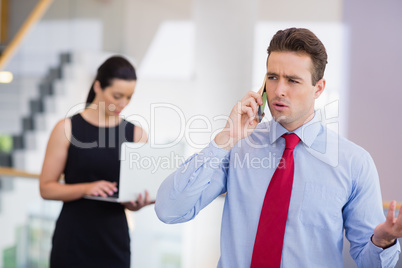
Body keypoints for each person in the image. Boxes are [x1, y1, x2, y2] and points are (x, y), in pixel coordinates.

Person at [155, 28, 402, 267]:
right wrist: (226, 138)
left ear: (319, 88)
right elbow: (170, 210)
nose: (279, 90)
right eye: (272, 77)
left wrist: (382, 242)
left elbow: (373, 263)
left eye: (292, 80)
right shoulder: (239, 147)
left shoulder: (353, 163)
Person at [39, 55, 153, 268]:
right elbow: (46, 189)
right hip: (73, 239)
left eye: (129, 97)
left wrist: (136, 203)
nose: (123, 104)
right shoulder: (66, 129)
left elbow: (132, 195)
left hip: (114, 240)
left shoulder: (137, 134)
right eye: (117, 95)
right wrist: (87, 188)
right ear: (98, 86)